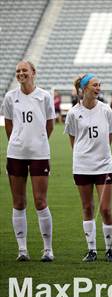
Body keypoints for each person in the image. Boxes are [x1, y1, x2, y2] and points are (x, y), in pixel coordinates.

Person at [1, 60, 55, 262]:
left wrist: (37, 142)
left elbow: (49, 125)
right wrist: (19, 141)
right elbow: (8, 125)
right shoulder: (10, 97)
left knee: (40, 201)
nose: (21, 73)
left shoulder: (44, 96)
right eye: (18, 71)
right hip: (16, 154)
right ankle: (22, 250)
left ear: (33, 73)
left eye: (24, 70)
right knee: (18, 201)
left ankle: (48, 249)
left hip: (40, 154)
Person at [64, 73, 112, 262]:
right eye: (95, 85)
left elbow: (110, 135)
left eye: (99, 85)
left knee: (105, 209)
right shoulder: (73, 113)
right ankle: (92, 249)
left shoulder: (106, 110)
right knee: (87, 207)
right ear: (84, 88)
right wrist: (83, 155)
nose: (98, 88)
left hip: (103, 165)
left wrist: (101, 154)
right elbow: (73, 139)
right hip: (82, 166)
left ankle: (110, 249)